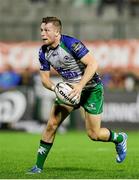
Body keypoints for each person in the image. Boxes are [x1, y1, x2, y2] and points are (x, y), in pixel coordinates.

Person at [27, 16, 127, 174]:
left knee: (94, 135)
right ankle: (37, 167)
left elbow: (93, 64)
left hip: (91, 89)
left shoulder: (70, 43)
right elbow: (45, 80)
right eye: (41, 30)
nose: (42, 34)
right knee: (52, 124)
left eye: (46, 30)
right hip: (70, 91)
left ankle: (120, 139)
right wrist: (56, 89)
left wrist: (80, 86)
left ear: (57, 32)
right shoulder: (43, 52)